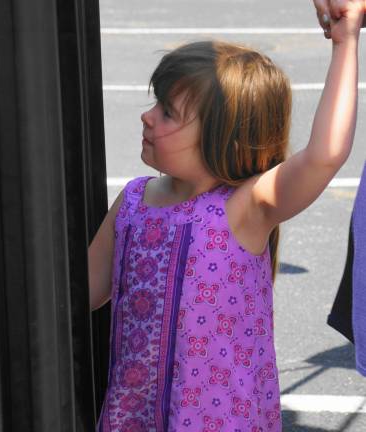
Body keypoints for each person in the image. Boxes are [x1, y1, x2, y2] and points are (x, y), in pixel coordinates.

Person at [88, 2, 364, 431]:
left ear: (228, 141)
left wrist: (346, 43)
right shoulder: (133, 201)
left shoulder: (245, 208)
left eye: (167, 112)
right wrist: (1, 230)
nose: (147, 116)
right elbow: (81, 290)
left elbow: (325, 154)